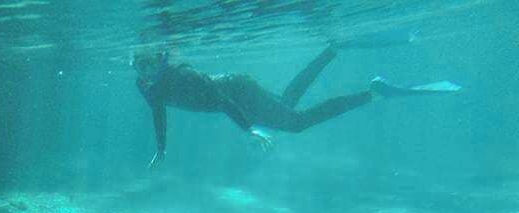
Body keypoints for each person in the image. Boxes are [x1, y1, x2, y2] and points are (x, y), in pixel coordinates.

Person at [133, 45, 460, 167]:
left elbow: (221, 101)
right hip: (237, 90)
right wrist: (161, 148)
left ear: (160, 60)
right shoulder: (146, 84)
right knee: (288, 105)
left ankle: (373, 93)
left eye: (147, 64)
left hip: (237, 91)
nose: (143, 71)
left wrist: (250, 128)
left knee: (295, 122)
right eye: (138, 66)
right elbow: (157, 110)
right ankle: (329, 52)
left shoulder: (182, 74)